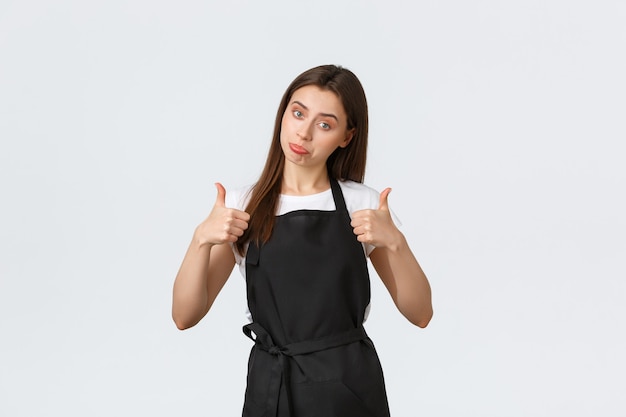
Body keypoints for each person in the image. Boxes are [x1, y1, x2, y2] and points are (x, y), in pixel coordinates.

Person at [172, 64, 433, 417]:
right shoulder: (241, 207)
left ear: (346, 137)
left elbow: (420, 314)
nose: (304, 133)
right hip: (272, 388)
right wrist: (200, 240)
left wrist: (396, 243)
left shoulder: (363, 205)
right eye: (298, 113)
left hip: (349, 390)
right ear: (283, 114)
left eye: (324, 124)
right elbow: (185, 316)